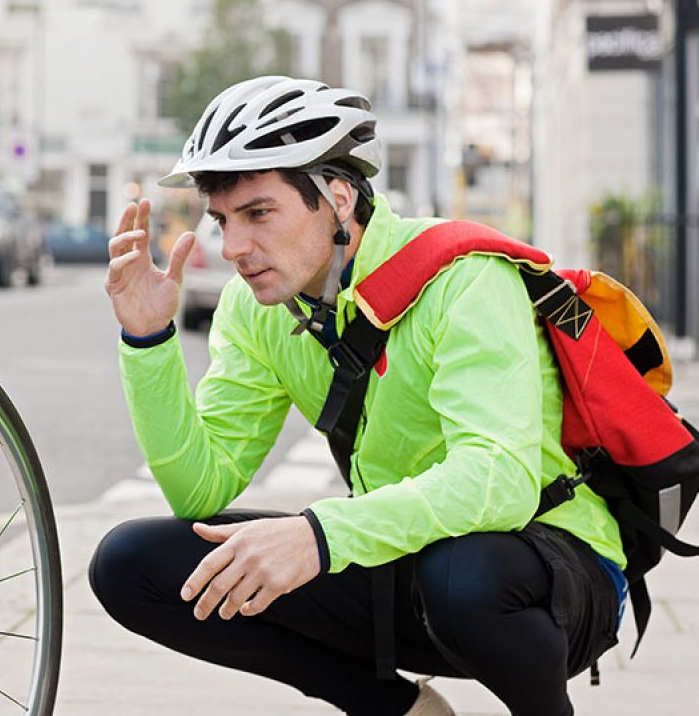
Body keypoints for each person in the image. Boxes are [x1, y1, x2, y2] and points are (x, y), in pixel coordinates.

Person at [89, 76, 627, 716]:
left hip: (549, 576)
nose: (233, 248)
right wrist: (147, 339)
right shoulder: (257, 308)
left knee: (463, 575)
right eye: (223, 221)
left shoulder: (465, 280)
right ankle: (397, 709)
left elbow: (500, 481)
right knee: (132, 564)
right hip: (401, 562)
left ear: (337, 198)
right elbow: (200, 492)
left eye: (259, 213)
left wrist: (318, 536)